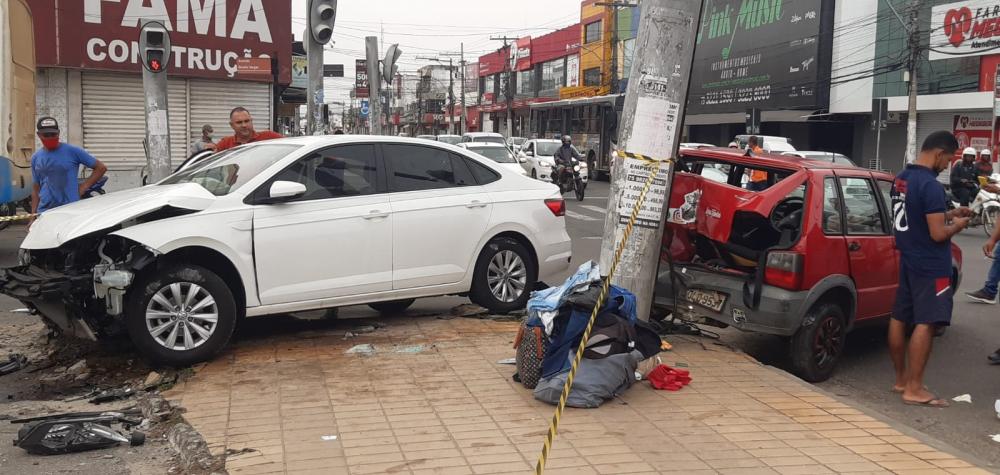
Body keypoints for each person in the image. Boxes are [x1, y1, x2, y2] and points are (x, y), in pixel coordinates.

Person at [889, 130, 971, 408]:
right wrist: (958, 225)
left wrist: (950, 214)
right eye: (948, 159)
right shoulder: (931, 186)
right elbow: (937, 234)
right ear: (939, 153)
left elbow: (918, 216)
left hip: (908, 258)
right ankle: (914, 388)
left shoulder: (902, 178)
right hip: (930, 264)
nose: (947, 165)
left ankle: (901, 379)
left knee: (900, 317)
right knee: (927, 321)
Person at [29, 117, 108, 223]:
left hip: (70, 211)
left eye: (53, 135)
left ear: (58, 133)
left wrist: (83, 187)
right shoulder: (36, 157)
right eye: (46, 135)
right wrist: (32, 216)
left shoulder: (73, 151)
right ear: (39, 135)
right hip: (45, 213)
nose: (50, 138)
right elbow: (36, 189)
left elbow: (101, 168)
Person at [214, 107, 283, 152]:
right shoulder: (226, 143)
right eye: (239, 122)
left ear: (251, 121)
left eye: (247, 121)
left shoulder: (269, 137)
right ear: (232, 125)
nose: (244, 125)